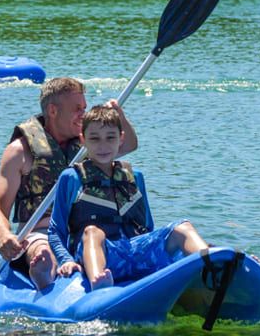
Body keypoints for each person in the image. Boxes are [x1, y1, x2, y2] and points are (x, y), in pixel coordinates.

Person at [0, 77, 138, 290]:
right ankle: (43, 272)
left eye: (84, 108)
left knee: (100, 235)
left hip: (84, 230)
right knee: (42, 249)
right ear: (53, 110)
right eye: (77, 109)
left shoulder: (88, 142)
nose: (83, 115)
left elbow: (129, 144)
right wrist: (4, 235)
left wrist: (119, 116)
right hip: (41, 232)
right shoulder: (19, 152)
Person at [48, 105, 210, 291]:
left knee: (183, 227)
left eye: (110, 138)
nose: (103, 146)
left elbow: (147, 226)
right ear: (83, 140)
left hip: (134, 251)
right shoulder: (71, 178)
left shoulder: (135, 176)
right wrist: (66, 260)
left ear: (121, 138)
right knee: (93, 232)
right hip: (99, 255)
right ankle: (98, 284)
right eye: (95, 139)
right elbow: (55, 231)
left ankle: (213, 267)